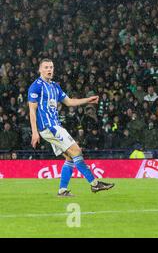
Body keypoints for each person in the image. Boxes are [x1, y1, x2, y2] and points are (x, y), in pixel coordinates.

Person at [28, 59, 114, 197]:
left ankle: (62, 190)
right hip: (49, 127)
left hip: (55, 126)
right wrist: (34, 132)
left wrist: (87, 100)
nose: (49, 69)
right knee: (76, 151)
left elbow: (69, 102)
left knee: (69, 157)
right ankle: (94, 184)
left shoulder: (55, 86)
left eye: (51, 67)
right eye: (46, 67)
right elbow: (32, 110)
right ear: (40, 69)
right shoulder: (36, 86)